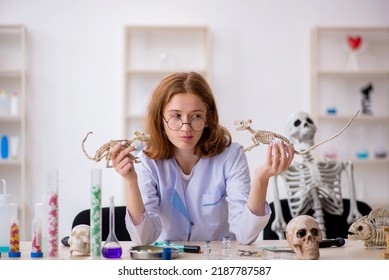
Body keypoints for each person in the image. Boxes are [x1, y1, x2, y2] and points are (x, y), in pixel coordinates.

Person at [111, 71, 295, 245]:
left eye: (196, 116)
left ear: (208, 118)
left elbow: (246, 235)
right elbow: (143, 238)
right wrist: (131, 181)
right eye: (176, 116)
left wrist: (261, 180)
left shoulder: (231, 156)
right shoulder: (147, 161)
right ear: (160, 119)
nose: (186, 127)